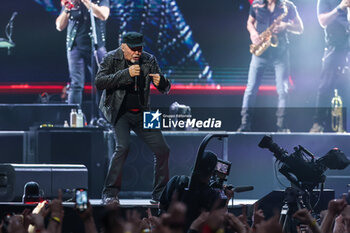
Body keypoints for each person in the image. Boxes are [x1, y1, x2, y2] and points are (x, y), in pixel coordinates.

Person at [95, 32, 171, 204]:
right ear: (124, 47)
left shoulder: (149, 60)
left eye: (140, 48)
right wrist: (126, 73)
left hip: (144, 111)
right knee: (123, 147)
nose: (137, 52)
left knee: (163, 149)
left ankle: (159, 195)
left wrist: (162, 82)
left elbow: (166, 89)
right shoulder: (111, 58)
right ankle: (110, 193)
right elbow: (99, 82)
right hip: (119, 110)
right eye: (133, 49)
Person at [237, 0, 303, 132]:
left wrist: (286, 25)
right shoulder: (256, 4)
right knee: (250, 89)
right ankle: (245, 124)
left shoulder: (287, 6)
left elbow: (300, 28)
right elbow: (250, 22)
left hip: (281, 53)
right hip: (260, 53)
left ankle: (282, 126)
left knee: (283, 90)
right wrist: (253, 33)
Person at [159, 151, 234, 230]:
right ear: (212, 172)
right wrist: (227, 199)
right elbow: (219, 221)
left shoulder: (176, 181)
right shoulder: (212, 195)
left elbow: (161, 206)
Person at [55, 0, 110, 105]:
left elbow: (104, 15)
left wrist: (86, 2)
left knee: (103, 82)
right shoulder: (71, 2)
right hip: (75, 47)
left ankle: (103, 118)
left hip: (96, 47)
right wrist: (67, 8)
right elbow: (59, 26)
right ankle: (75, 118)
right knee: (76, 84)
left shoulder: (100, 1)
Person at [310, 0, 350, 133]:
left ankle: (346, 126)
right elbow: (322, 21)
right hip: (335, 46)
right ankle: (318, 124)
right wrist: (340, 8)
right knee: (325, 86)